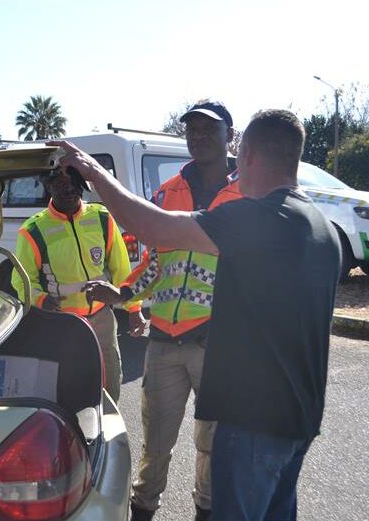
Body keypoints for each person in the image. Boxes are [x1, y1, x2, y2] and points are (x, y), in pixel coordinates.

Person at [51, 108, 341, 521]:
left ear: (249, 154)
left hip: (254, 419)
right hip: (299, 418)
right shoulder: (321, 227)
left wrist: (94, 171)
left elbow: (153, 228)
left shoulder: (261, 218)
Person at [84, 100, 242, 521]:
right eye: (191, 129)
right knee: (155, 443)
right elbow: (154, 260)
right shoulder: (167, 191)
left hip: (220, 343)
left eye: (209, 128)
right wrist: (123, 294)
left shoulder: (249, 194)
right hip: (165, 341)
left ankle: (206, 511)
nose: (198, 136)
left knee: (212, 443)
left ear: (231, 133)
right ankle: (144, 509)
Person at [10, 168, 146, 403]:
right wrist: (40, 299)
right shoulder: (33, 231)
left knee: (111, 378)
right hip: (63, 323)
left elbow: (122, 270)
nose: (68, 188)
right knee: (68, 384)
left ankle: (108, 428)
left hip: (102, 318)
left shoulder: (102, 218)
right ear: (48, 187)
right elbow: (21, 280)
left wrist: (134, 310)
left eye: (73, 182)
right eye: (60, 183)